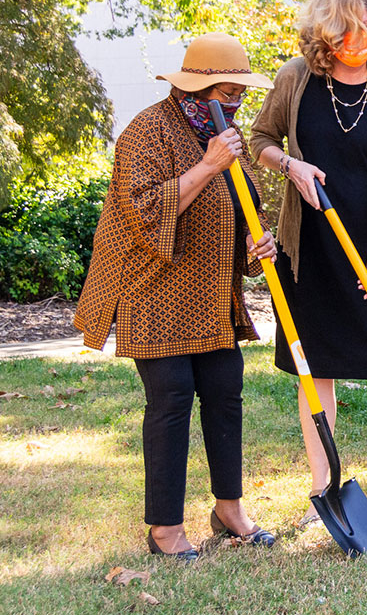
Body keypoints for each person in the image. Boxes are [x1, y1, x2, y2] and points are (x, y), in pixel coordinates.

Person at [73, 33, 278, 560]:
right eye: (228, 92)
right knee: (169, 402)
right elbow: (142, 215)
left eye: (240, 94)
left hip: (210, 291)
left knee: (225, 394)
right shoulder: (145, 131)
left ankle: (228, 509)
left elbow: (237, 206)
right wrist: (209, 164)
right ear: (200, 88)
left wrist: (255, 241)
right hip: (152, 290)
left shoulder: (221, 128)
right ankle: (164, 528)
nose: (236, 103)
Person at [248, 0, 367, 533]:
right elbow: (260, 141)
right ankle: (323, 487)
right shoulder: (295, 80)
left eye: (364, 29)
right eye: (342, 31)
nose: (354, 40)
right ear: (324, 31)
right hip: (311, 251)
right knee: (313, 369)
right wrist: (291, 165)